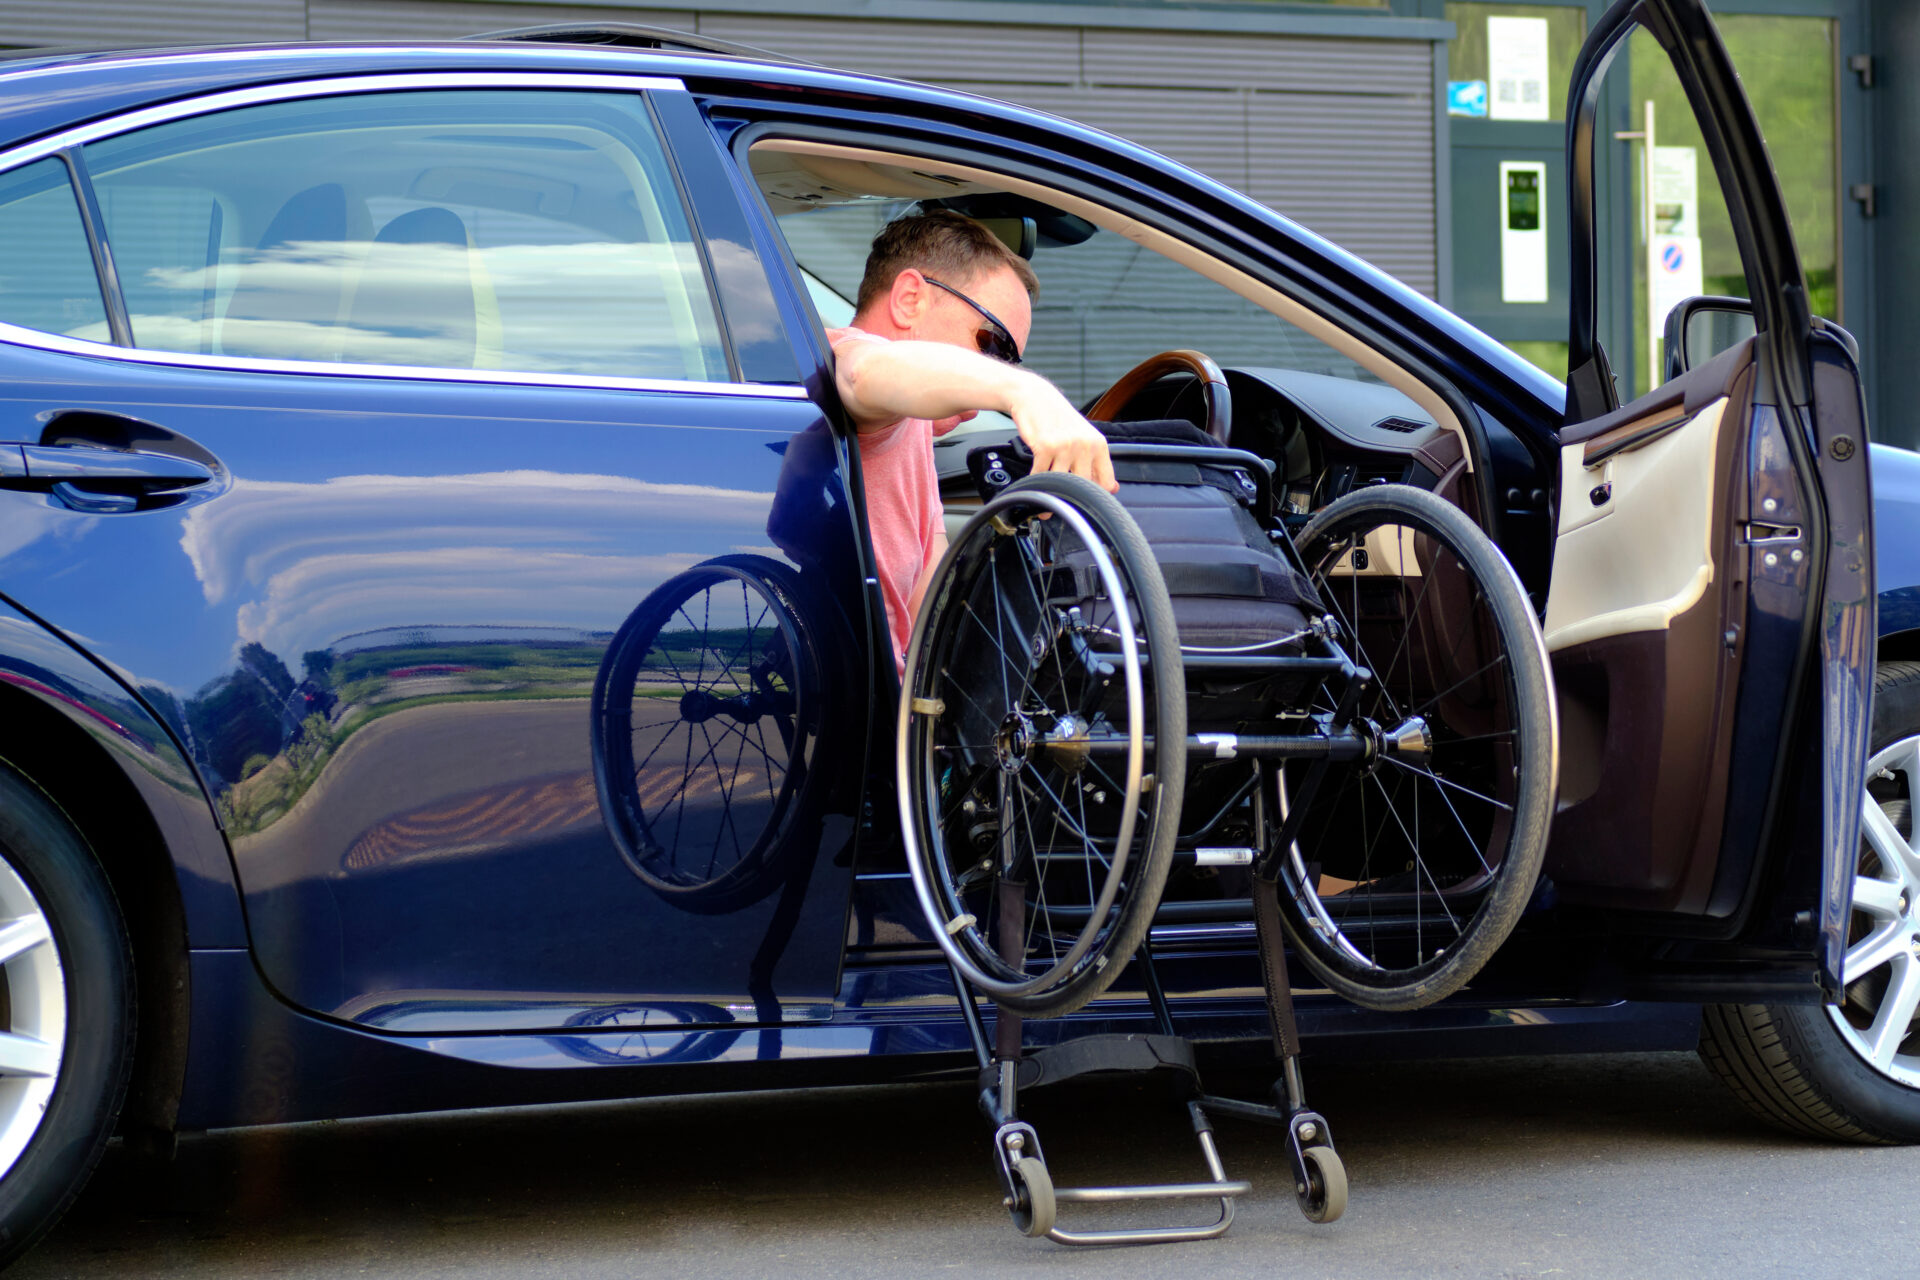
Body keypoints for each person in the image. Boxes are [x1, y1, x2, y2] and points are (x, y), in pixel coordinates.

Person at [828, 210, 1116, 674]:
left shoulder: (914, 424)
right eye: (992, 345)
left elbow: (931, 604)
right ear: (909, 300)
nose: (998, 372)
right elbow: (865, 374)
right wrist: (1028, 391)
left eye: (1011, 363)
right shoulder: (849, 355)